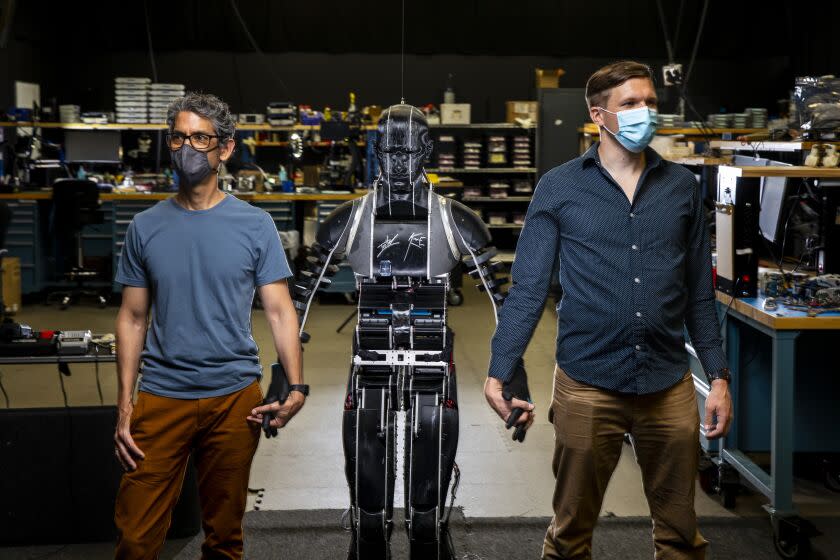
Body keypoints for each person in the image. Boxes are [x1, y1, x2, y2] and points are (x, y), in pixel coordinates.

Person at [484, 61, 733, 560]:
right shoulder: (559, 187)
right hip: (587, 382)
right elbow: (529, 286)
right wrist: (500, 369)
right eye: (631, 104)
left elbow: (697, 294)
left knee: (681, 533)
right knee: (571, 531)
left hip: (668, 384)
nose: (646, 113)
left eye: (650, 102)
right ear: (599, 115)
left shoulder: (682, 188)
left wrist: (719, 376)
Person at [112, 92, 306, 559]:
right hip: (161, 396)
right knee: (137, 539)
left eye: (200, 137)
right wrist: (125, 403)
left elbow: (279, 310)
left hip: (233, 399)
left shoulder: (255, 225)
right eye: (178, 137)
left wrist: (295, 386)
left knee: (224, 537)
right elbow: (133, 317)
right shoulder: (145, 226)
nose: (188, 147)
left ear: (225, 148)